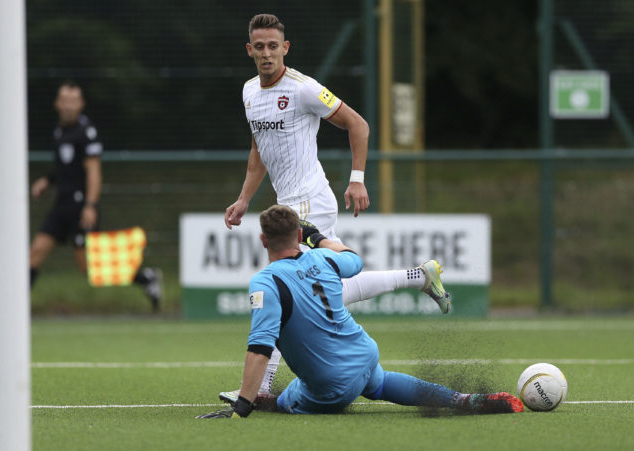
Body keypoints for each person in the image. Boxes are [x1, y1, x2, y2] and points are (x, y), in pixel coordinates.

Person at [220, 13, 450, 402]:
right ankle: (419, 276)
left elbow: (357, 125)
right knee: (327, 291)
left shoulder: (305, 89)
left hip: (311, 202)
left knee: (284, 288)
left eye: (273, 46)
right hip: (287, 202)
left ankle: (259, 387)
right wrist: (244, 198)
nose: (266, 54)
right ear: (249, 50)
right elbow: (259, 149)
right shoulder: (248, 92)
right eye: (259, 47)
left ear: (285, 49)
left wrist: (357, 178)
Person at [197, 205, 523, 418]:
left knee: (287, 399)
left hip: (331, 388)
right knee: (378, 383)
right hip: (366, 355)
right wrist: (319, 238)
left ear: (262, 240)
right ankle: (461, 400)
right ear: (299, 236)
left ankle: (261, 398)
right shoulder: (323, 258)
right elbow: (355, 260)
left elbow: (260, 347)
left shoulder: (264, 282)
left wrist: (242, 406)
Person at [29, 81, 163, 311]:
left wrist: (90, 205)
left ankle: (146, 277)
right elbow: (65, 167)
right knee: (36, 251)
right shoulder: (59, 131)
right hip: (61, 206)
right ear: (57, 104)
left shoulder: (86, 133)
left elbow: (93, 172)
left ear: (81, 104)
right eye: (65, 101)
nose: (69, 106)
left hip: (80, 207)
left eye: (74, 101)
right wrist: (47, 181)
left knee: (89, 268)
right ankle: (14, 308)